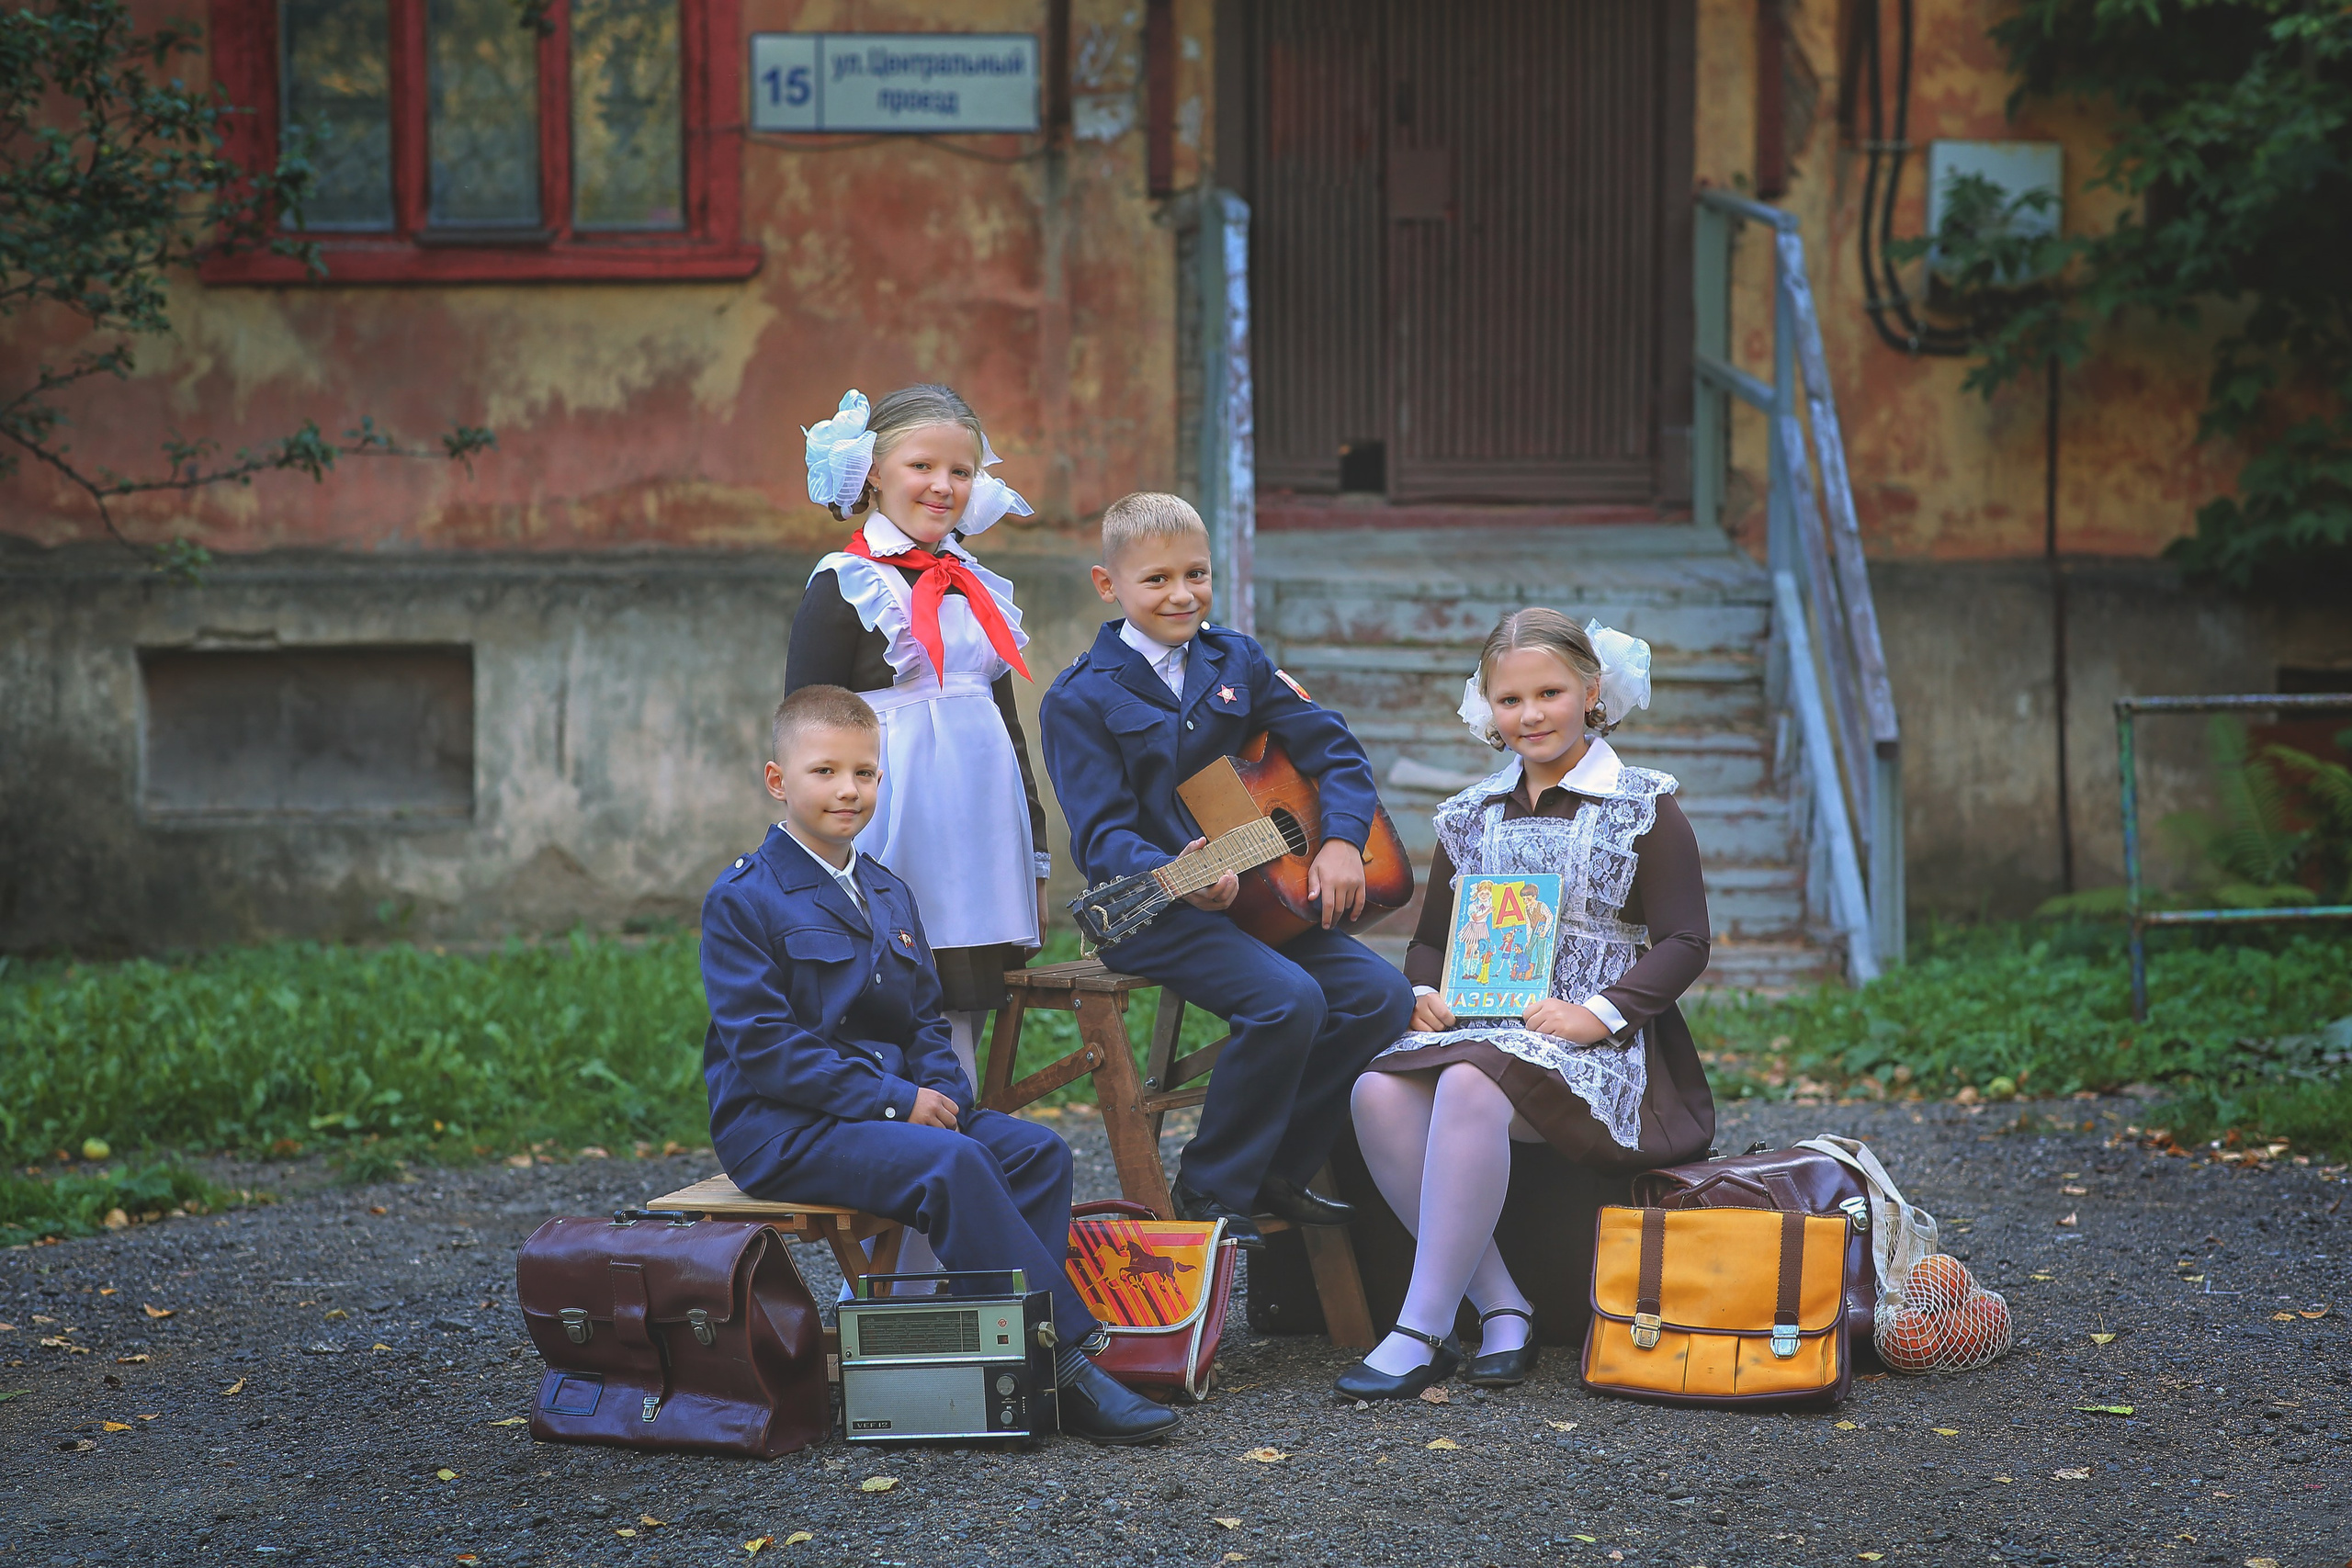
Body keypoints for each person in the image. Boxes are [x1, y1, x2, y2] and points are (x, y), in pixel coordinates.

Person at [699, 684, 1179, 1445]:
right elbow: (766, 1049)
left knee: (1039, 1153)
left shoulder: (888, 891)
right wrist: (897, 1101)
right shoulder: (745, 898)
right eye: (825, 771)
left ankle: (1007, 1363)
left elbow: (924, 1019)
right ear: (777, 780)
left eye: (865, 772)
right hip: (783, 1126)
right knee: (952, 1165)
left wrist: (942, 1092)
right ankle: (1068, 1364)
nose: (849, 789)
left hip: (881, 1110)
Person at [1339, 609, 1715, 1402]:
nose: (1531, 714)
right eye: (1510, 699)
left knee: (1469, 1082)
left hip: (1598, 1049)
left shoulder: (1642, 806)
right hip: (1482, 1030)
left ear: (1592, 690)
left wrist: (1598, 1012)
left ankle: (1420, 1328)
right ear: (1488, 704)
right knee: (1375, 1089)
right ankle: (1502, 1307)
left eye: (1550, 693)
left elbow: (1686, 940)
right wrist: (1423, 992)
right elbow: (1431, 939)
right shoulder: (1470, 812)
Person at [1040, 492, 1416, 1247]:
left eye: (1197, 574)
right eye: (1157, 579)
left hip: (1265, 900)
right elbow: (1103, 834)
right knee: (1288, 1000)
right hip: (1160, 909)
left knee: (1381, 996)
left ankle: (1279, 1168)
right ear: (1108, 584)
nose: (1182, 594)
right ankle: (1209, 1185)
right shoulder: (1079, 698)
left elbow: (1333, 750)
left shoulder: (1237, 659)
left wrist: (1342, 840)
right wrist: (1175, 872)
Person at [786, 385, 1047, 1280]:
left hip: (979, 833)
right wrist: (820, 857)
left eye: (960, 470)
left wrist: (1033, 842)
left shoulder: (977, 583)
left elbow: (1007, 724)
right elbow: (807, 727)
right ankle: (898, 1272)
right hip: (896, 827)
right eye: (922, 465)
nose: (942, 484)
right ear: (872, 473)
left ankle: (953, 1260)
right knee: (891, 1013)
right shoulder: (844, 585)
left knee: (959, 1014)